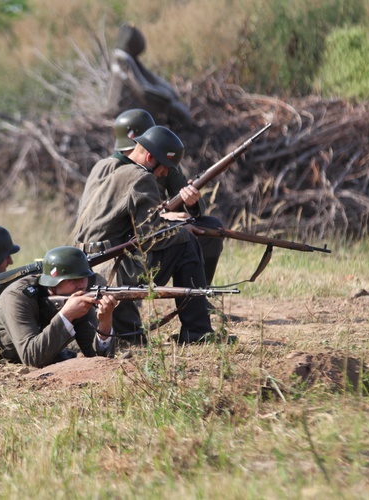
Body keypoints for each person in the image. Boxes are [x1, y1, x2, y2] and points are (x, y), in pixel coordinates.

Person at [74, 125, 225, 344]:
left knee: (134, 342)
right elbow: (150, 236)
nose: (164, 174)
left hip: (91, 265)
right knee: (186, 242)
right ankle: (197, 332)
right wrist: (180, 229)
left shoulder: (110, 170)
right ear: (150, 156)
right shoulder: (140, 178)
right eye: (164, 168)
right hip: (115, 268)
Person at [112, 109, 224, 285]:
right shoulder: (113, 171)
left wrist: (191, 204)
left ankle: (201, 294)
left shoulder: (162, 162)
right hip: (131, 238)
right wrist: (163, 218)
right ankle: (191, 302)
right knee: (184, 239)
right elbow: (122, 220)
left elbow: (194, 206)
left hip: (158, 227)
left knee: (211, 228)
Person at [106, 24, 192, 130]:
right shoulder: (120, 60)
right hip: (122, 113)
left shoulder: (130, 59)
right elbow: (142, 89)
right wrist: (165, 99)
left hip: (135, 110)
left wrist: (169, 93)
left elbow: (152, 79)